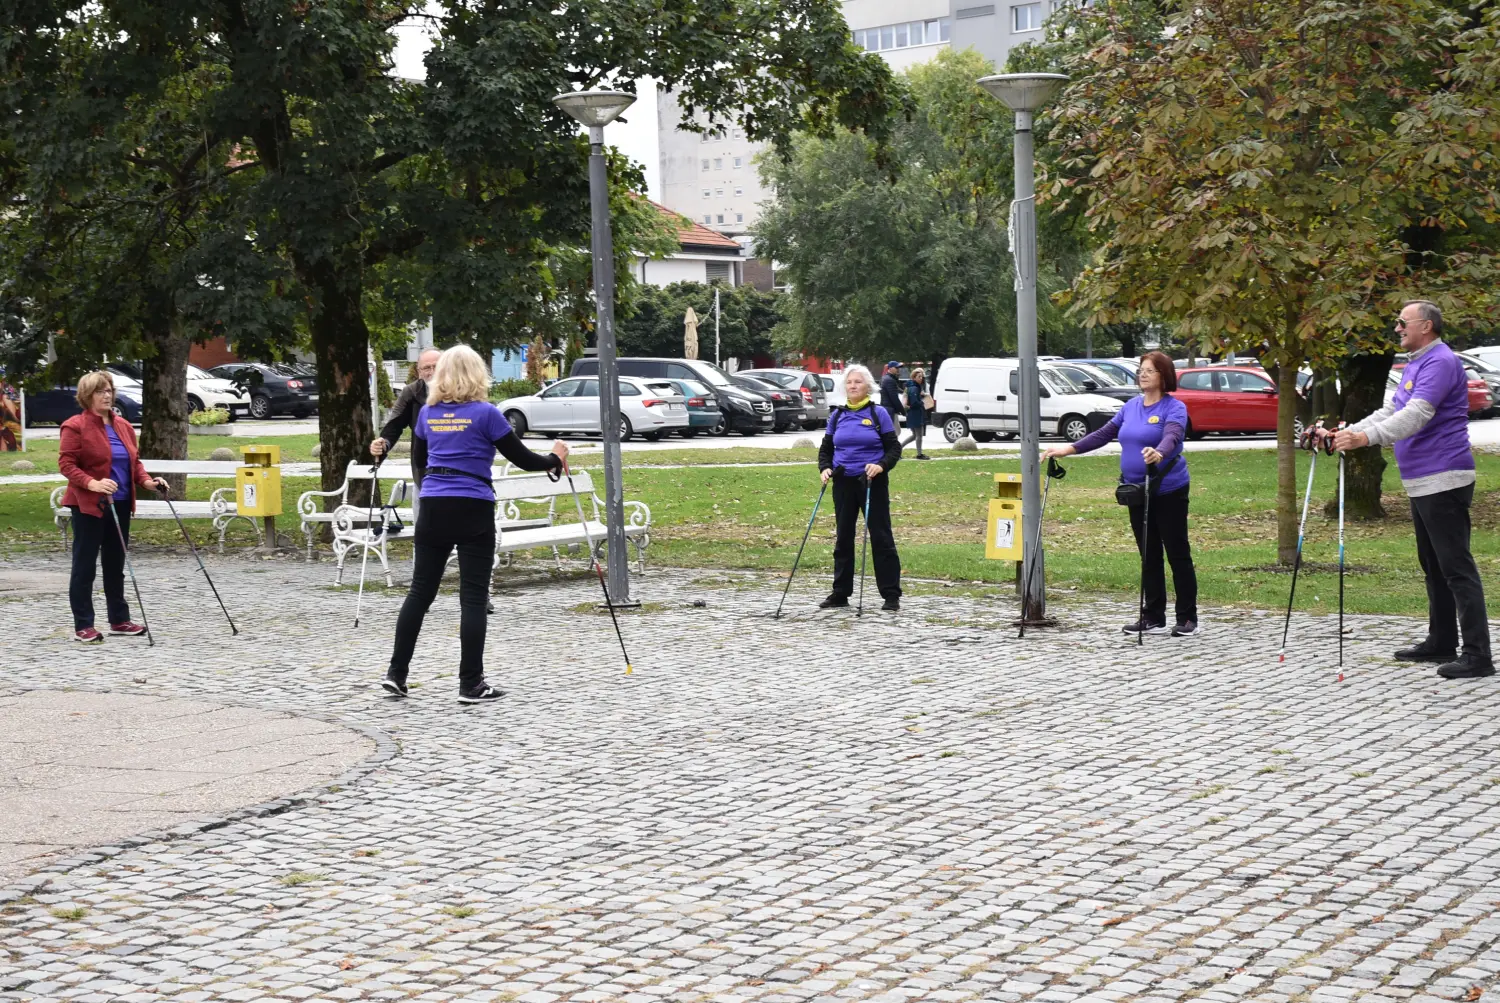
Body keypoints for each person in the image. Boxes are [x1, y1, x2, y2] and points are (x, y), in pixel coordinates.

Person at [382, 345, 568, 703]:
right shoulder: (487, 414)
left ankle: (396, 674)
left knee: (420, 592)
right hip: (472, 505)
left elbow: (420, 460)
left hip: (433, 505)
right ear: (477, 374)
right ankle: (471, 683)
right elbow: (524, 459)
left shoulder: (428, 414)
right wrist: (555, 458)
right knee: (473, 597)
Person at [1326, 300, 1492, 679]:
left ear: (1427, 326)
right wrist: (1348, 431)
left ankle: (1478, 655)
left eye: (1403, 322)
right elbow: (1392, 410)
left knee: (1456, 568)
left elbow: (1417, 415)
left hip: (1443, 476)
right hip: (1421, 479)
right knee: (1433, 566)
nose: (1397, 328)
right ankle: (1442, 641)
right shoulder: (1417, 363)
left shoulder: (1440, 361)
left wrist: (1364, 438)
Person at [1044, 351, 1199, 637]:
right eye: (1141, 370)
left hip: (1169, 489)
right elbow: (1104, 434)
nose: (1143, 375)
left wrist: (1159, 452)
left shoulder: (1173, 407)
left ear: (1164, 375)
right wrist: (1068, 449)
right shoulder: (1131, 407)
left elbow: (1173, 435)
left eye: (1150, 370)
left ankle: (1187, 618)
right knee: (1148, 553)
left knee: (1177, 553)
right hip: (1136, 491)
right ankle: (1153, 616)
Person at [57, 371, 170, 643]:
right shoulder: (75, 426)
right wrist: (92, 483)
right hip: (89, 505)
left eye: (109, 390)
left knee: (115, 564)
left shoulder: (123, 426)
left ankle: (119, 620)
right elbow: (66, 465)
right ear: (87, 396)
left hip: (120, 503)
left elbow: (134, 463)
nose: (106, 395)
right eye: (100, 391)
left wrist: (148, 482)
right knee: (84, 566)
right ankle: (84, 625)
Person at [817, 365, 904, 611]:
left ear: (868, 386)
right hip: (843, 481)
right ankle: (840, 593)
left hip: (871, 481)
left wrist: (881, 465)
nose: (853, 386)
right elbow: (826, 449)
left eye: (858, 382)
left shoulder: (878, 413)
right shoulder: (837, 415)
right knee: (843, 537)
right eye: (849, 382)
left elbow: (894, 448)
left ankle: (891, 594)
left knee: (881, 537)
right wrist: (825, 467)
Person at [370, 348, 441, 486]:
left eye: (437, 366)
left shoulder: (461, 391)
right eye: (427, 368)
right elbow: (394, 425)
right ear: (419, 372)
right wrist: (383, 444)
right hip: (424, 470)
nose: (432, 372)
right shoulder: (411, 392)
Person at [903, 367, 932, 459]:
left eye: (922, 377)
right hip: (915, 414)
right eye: (919, 376)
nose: (921, 378)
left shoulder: (911, 387)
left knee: (914, 435)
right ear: (914, 377)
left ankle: (899, 448)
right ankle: (919, 454)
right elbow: (914, 402)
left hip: (912, 413)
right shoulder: (914, 388)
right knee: (919, 435)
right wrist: (922, 402)